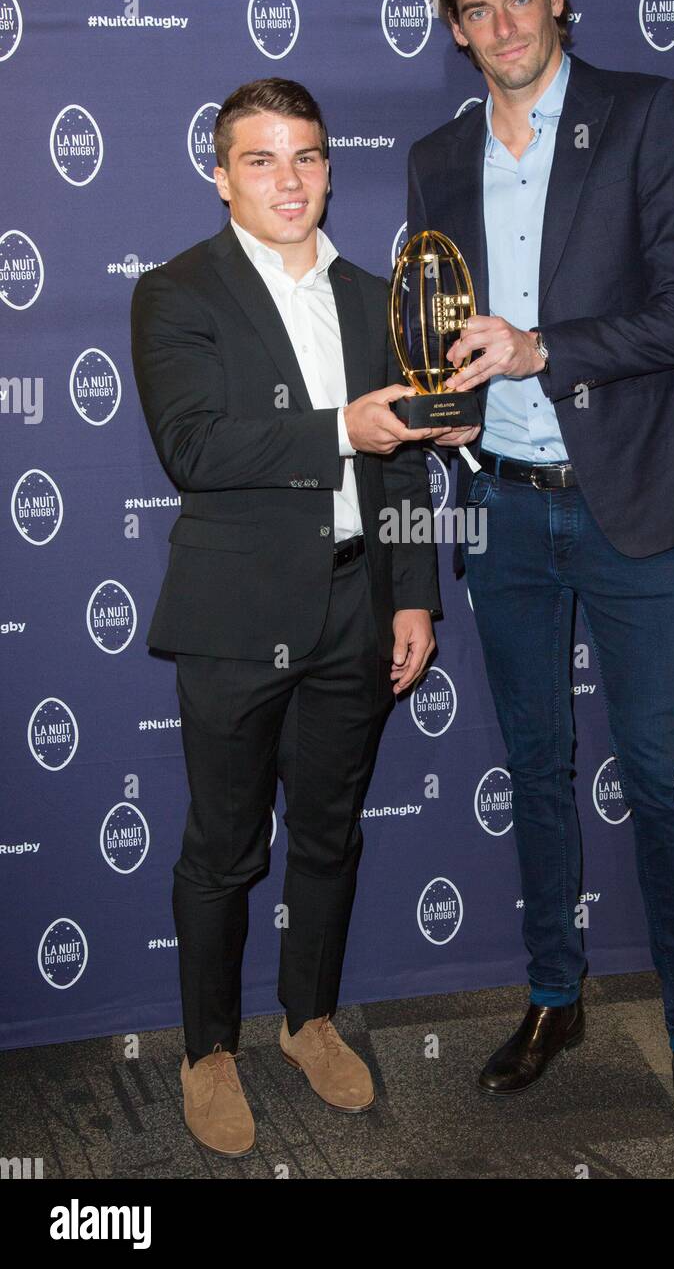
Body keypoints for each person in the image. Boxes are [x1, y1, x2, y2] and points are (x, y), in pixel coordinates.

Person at [407, 0, 674, 1164]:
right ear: (452, 28)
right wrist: (442, 410)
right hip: (498, 504)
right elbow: (436, 319)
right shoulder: (434, 156)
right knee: (536, 773)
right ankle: (553, 998)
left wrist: (542, 348)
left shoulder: (649, 110)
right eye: (475, 10)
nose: (501, 26)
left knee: (658, 781)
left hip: (629, 501)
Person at [132, 77, 442, 1157]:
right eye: (259, 159)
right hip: (231, 617)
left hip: (355, 608)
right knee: (222, 850)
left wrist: (411, 593)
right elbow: (196, 447)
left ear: (326, 164)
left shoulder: (371, 296)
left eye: (305, 156)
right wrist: (338, 430)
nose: (288, 180)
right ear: (220, 174)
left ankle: (308, 1018)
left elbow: (400, 468)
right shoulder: (176, 292)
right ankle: (206, 1048)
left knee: (327, 834)